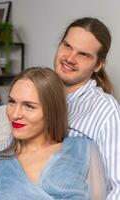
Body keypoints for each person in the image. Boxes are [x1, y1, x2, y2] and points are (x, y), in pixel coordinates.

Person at [0, 67, 106, 200]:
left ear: (51, 111)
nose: (15, 114)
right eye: (12, 102)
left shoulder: (83, 150)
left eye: (29, 106)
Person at [54, 17, 120, 200]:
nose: (70, 58)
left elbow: (118, 188)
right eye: (67, 46)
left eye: (83, 54)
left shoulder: (106, 111)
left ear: (98, 64)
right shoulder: (35, 96)